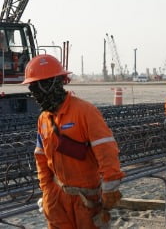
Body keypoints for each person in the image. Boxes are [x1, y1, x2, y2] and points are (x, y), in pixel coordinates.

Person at [22, 54, 124, 228]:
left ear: (55, 83)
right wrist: (47, 191)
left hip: (86, 199)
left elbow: (106, 151)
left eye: (38, 87)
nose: (36, 94)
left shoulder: (85, 112)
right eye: (33, 89)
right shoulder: (44, 119)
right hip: (56, 197)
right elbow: (40, 157)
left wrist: (110, 187)